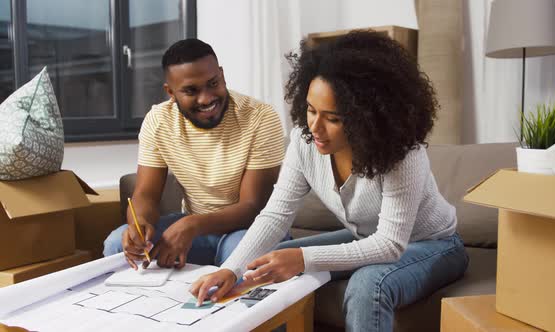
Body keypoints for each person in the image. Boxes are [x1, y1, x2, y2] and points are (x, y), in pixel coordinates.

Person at [190, 30, 470, 331]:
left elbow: (390, 244)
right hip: (366, 239)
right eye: (311, 110)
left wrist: (302, 258)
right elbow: (276, 215)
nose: (315, 127)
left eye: (333, 118)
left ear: (367, 116)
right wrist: (231, 269)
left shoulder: (402, 154)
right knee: (270, 263)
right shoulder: (304, 142)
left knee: (367, 284)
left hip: (435, 244)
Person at [103, 38, 285, 270]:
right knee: (116, 246)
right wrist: (139, 223)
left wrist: (192, 225)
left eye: (213, 83)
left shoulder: (260, 117)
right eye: (191, 90)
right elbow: (145, 194)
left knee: (239, 256)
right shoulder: (159, 121)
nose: (206, 98)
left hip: (251, 228)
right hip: (196, 229)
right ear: (170, 92)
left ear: (222, 75)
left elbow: (253, 206)